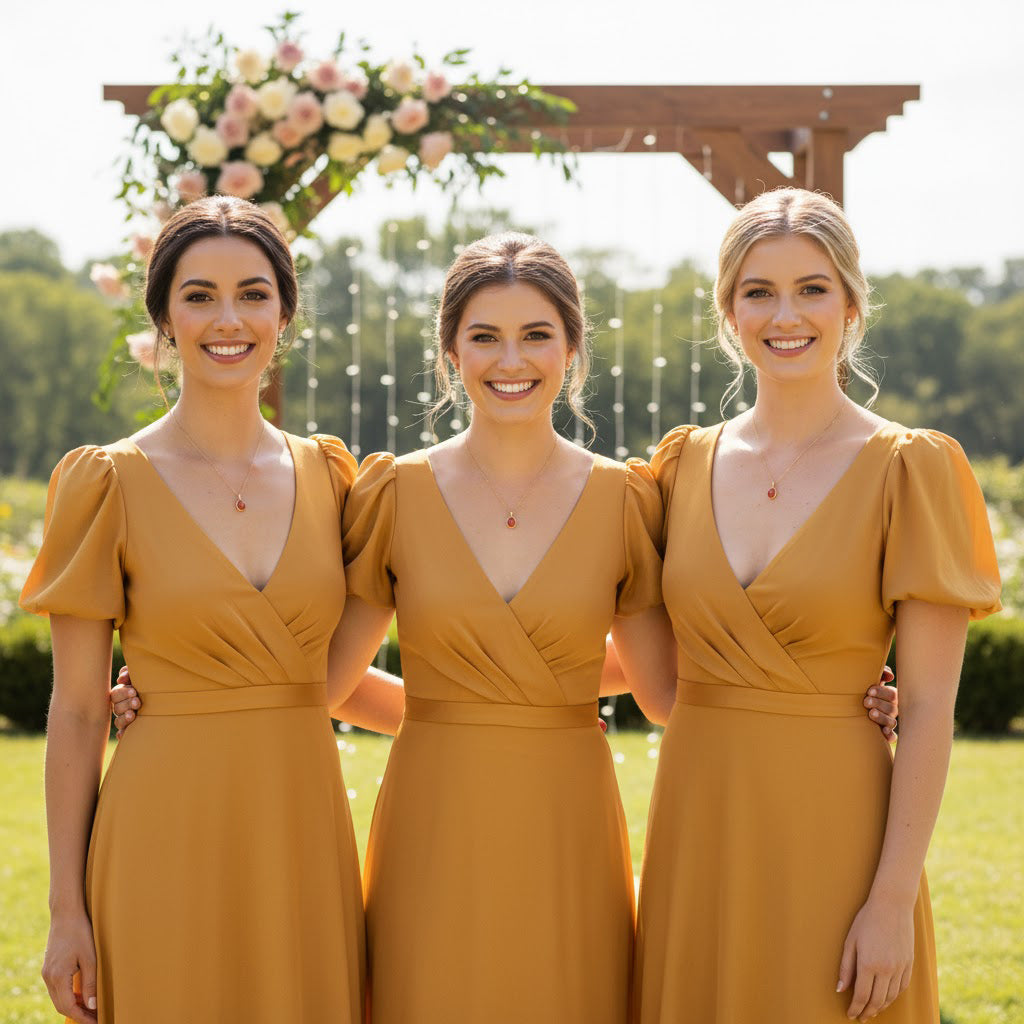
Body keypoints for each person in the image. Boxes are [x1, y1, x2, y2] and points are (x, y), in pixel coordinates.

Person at [109, 230, 899, 1023]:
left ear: (572, 350)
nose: (510, 360)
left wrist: (827, 689)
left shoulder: (625, 499)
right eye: (484, 337)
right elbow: (318, 681)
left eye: (536, 336)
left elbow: (666, 688)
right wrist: (181, 694)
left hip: (569, 824)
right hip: (434, 820)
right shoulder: (395, 494)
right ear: (450, 352)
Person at [630, 188, 1001, 1023]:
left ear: (851, 304)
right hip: (699, 823)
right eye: (758, 291)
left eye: (812, 288)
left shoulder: (912, 468)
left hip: (839, 835)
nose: (784, 313)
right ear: (728, 311)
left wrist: (892, 900)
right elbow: (655, 679)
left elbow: (932, 710)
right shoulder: (679, 468)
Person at [20, 197, 372, 1023]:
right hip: (161, 828)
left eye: (253, 293)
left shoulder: (333, 479)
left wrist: (532, 713)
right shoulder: (106, 482)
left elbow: (343, 679)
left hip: (301, 831)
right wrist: (66, 912)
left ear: (285, 314)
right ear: (163, 318)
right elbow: (75, 709)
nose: (229, 318)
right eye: (199, 294)